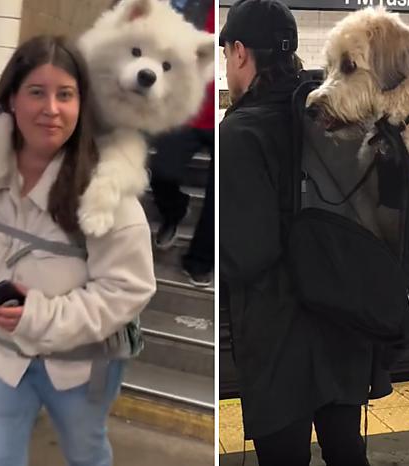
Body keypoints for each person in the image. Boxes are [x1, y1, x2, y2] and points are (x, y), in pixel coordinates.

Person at [0, 35, 156, 465]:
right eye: (36, 92)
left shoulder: (106, 190)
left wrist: (39, 316)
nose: (51, 108)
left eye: (65, 95)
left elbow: (128, 289)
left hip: (80, 365)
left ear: (82, 105)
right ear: (11, 100)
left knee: (86, 454)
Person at [219, 0, 389, 464]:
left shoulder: (239, 133)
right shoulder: (332, 113)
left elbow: (247, 254)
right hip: (345, 325)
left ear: (239, 52)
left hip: (278, 342)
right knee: (346, 451)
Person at [151, 3, 215, 288]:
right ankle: (175, 211)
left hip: (225, 117)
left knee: (221, 193)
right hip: (187, 112)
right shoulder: (192, 8)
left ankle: (200, 260)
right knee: (161, 170)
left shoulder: (241, 14)